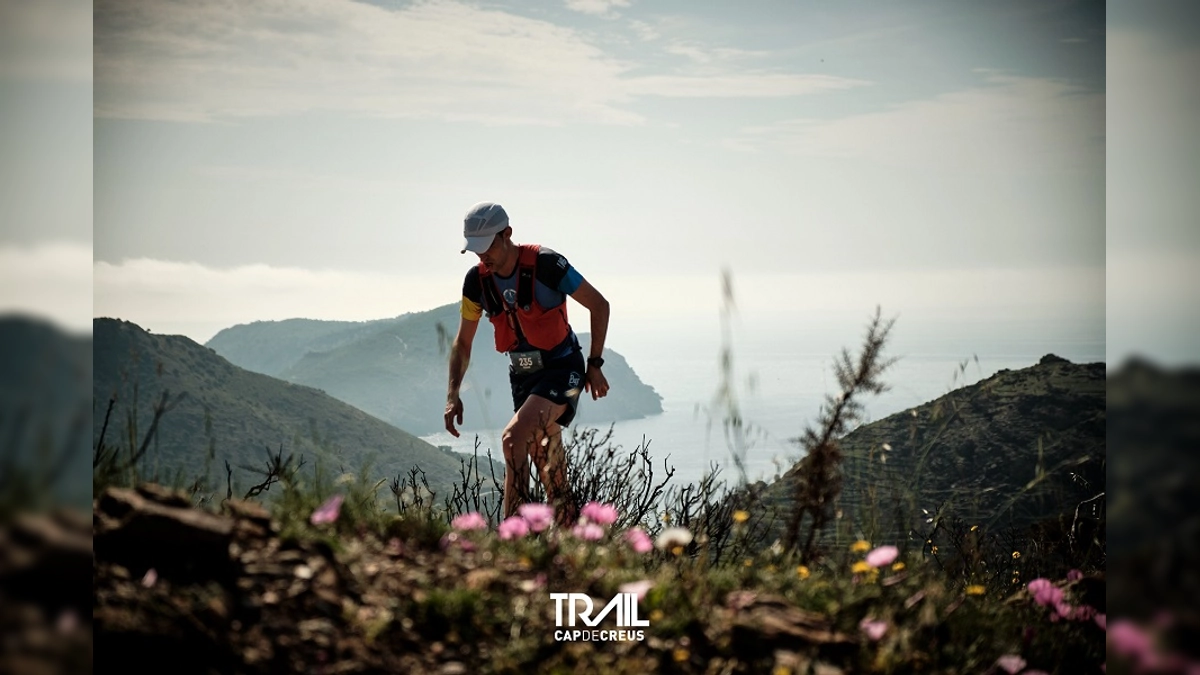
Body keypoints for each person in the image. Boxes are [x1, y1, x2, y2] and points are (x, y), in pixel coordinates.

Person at [444, 202, 610, 526]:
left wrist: (595, 363)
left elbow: (599, 305)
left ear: (507, 234)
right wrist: (452, 394)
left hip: (564, 368)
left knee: (512, 438)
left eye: (487, 246)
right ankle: (568, 546)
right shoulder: (475, 283)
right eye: (475, 250)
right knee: (550, 472)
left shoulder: (548, 265)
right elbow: (462, 342)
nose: (482, 257)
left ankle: (512, 542)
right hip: (522, 378)